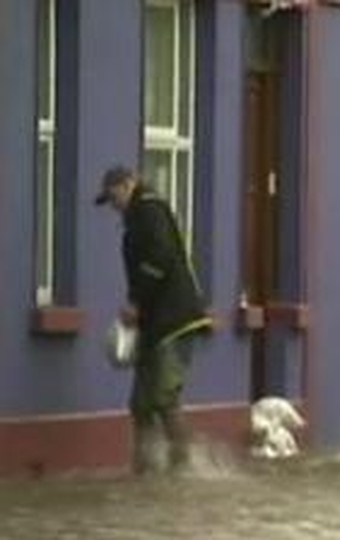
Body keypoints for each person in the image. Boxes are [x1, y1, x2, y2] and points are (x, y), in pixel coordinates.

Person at [95, 165, 212, 475]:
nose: (113, 205)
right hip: (154, 323)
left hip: (175, 320)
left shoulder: (150, 211)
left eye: (113, 197)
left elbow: (160, 258)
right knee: (141, 403)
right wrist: (138, 309)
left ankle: (183, 469)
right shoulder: (136, 218)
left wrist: (136, 302)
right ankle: (145, 471)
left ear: (128, 184)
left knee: (163, 395)